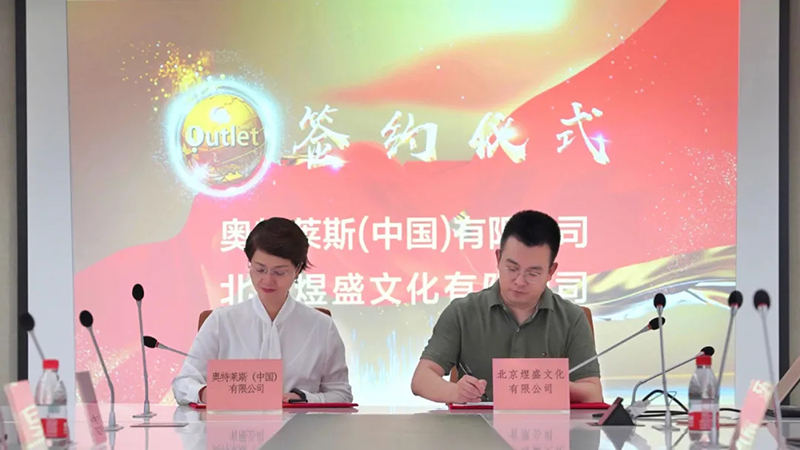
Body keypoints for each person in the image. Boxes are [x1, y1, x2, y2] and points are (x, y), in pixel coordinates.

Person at [410, 210, 602, 404]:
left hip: (546, 422)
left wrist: (550, 385)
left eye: (532, 274)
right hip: (476, 423)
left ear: (551, 271)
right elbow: (422, 379)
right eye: (512, 268)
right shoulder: (463, 312)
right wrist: (455, 392)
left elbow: (593, 393)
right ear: (498, 258)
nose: (519, 281)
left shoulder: (571, 318)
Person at [172, 217, 353, 404]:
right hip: (232, 422)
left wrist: (303, 398)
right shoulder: (221, 321)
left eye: (279, 272)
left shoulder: (321, 326)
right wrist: (205, 393)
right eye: (260, 269)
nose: (267, 280)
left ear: (298, 269)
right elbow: (184, 382)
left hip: (300, 422)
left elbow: (341, 395)